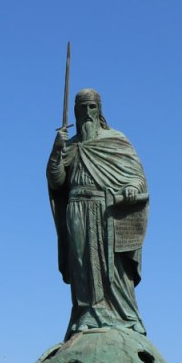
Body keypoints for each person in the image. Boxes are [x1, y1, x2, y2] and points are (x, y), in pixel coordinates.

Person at [46, 88, 149, 339]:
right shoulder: (70, 145)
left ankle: (126, 316)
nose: (88, 113)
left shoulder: (115, 140)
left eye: (92, 107)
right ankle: (86, 314)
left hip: (107, 209)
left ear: (99, 110)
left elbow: (137, 177)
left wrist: (132, 188)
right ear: (75, 111)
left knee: (113, 266)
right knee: (82, 263)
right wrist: (57, 151)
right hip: (77, 209)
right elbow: (57, 181)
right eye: (82, 108)